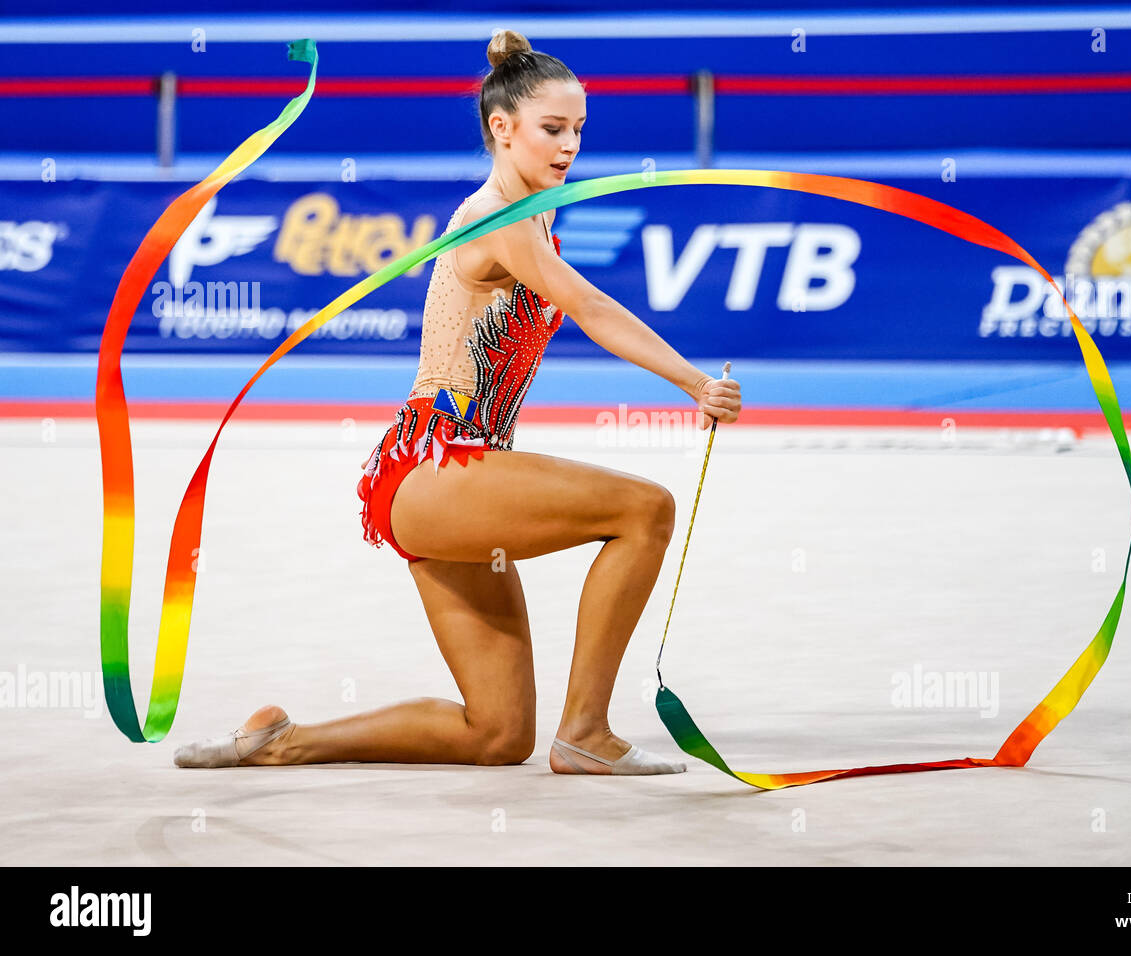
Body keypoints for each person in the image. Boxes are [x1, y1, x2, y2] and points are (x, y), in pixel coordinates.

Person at [174, 28, 741, 775]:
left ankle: (283, 740)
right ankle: (588, 733)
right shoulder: (496, 218)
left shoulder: (535, 213)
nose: (570, 146)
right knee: (645, 510)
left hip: (436, 481)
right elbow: (593, 305)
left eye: (578, 129)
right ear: (501, 130)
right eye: (551, 129)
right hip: (438, 466)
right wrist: (693, 381)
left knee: (497, 734)